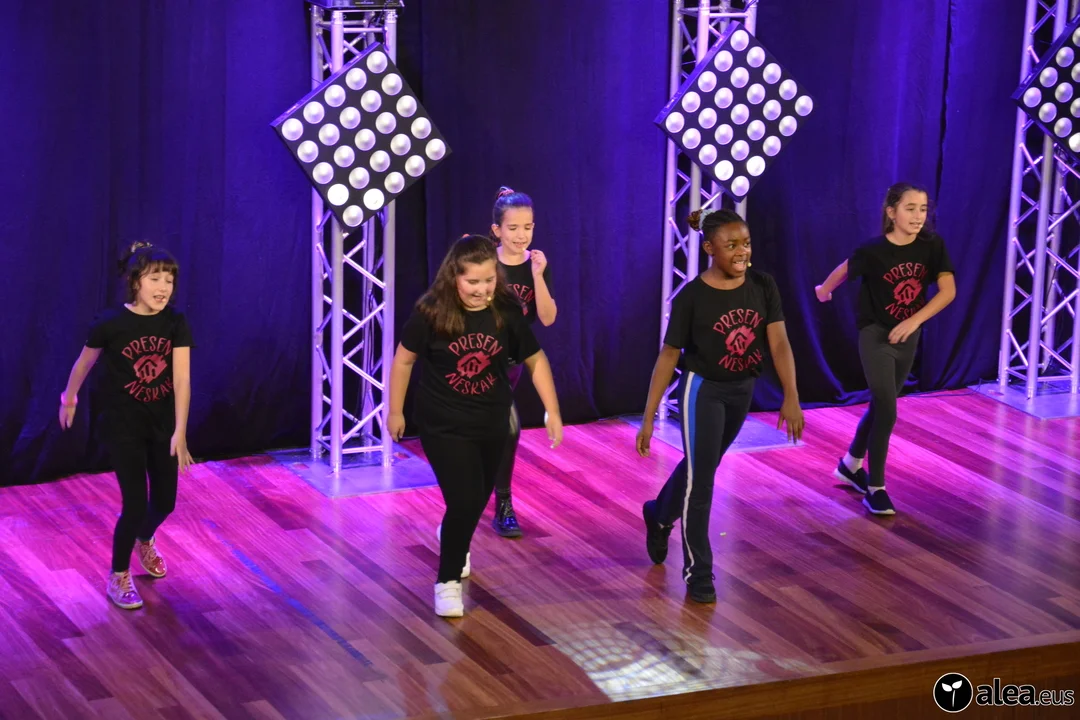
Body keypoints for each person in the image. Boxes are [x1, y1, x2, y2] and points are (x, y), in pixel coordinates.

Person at [388, 234, 563, 618]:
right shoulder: (431, 312)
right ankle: (447, 581)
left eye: (488, 280)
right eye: (473, 282)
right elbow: (403, 360)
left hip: (491, 422)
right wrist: (395, 411)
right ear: (454, 277)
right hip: (442, 425)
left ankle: (454, 531)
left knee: (474, 500)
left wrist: (552, 410)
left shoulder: (505, 310)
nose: (482, 290)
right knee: (465, 500)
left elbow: (535, 359)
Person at [637, 209, 803, 603]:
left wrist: (791, 395)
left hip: (742, 390)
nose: (742, 252)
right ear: (710, 249)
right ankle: (698, 573)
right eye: (731, 245)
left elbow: (779, 343)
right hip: (702, 390)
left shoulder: (763, 285)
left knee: (702, 465)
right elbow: (668, 356)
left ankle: (659, 514)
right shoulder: (693, 297)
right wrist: (648, 417)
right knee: (702, 482)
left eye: (746, 243)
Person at [59, 242, 194, 610]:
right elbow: (83, 363)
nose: (163, 287)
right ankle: (118, 574)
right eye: (155, 279)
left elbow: (181, 379)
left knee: (165, 502)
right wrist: (69, 397)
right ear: (136, 282)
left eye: (169, 280)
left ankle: (144, 539)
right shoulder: (110, 323)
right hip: (123, 427)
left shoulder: (175, 322)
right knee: (134, 504)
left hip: (161, 426)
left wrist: (180, 431)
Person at [815, 182, 956, 515]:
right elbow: (845, 269)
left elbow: (948, 291)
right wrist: (824, 289)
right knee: (887, 410)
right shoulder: (873, 250)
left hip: (907, 337)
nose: (918, 216)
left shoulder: (932, 246)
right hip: (876, 335)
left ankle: (850, 464)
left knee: (881, 406)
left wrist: (913, 322)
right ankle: (875, 488)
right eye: (910, 208)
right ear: (891, 212)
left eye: (923, 209)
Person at [488, 186, 556, 538]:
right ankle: (502, 504)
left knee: (501, 430)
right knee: (507, 429)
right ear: (497, 230)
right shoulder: (486, 263)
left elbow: (547, 318)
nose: (521, 235)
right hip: (483, 361)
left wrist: (538, 276)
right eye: (513, 228)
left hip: (513, 363)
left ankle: (498, 501)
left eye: (527, 227)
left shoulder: (535, 265)